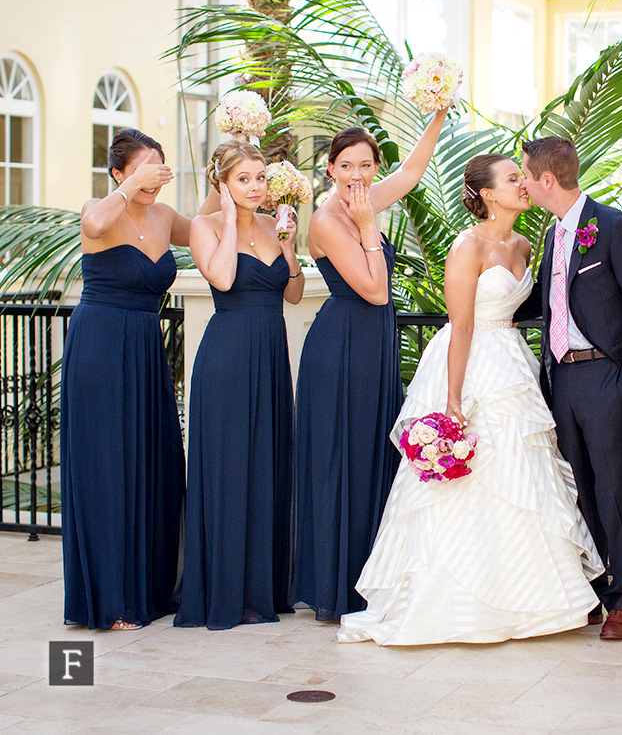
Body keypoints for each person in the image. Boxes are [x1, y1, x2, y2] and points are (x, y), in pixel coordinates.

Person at [337, 154, 603, 645]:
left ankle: (537, 600)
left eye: (520, 177)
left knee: (522, 476)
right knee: (468, 480)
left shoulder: (526, 242)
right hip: (471, 360)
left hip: (512, 364)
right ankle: (458, 603)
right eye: (511, 179)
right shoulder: (467, 244)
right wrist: (453, 397)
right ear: (485, 194)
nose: (522, 184)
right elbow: (459, 323)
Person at [293, 112, 447, 622]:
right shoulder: (328, 219)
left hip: (371, 348)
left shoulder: (368, 200)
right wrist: (366, 228)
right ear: (330, 169)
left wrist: (437, 114)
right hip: (340, 351)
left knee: (372, 456)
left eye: (366, 165)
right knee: (343, 461)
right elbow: (376, 290)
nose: (357, 174)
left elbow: (411, 173)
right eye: (346, 165)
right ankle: (336, 589)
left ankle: (373, 577)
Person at [515, 136, 622, 641]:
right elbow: (548, 299)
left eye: (526, 175)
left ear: (547, 180)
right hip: (564, 378)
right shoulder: (555, 234)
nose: (523, 183)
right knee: (578, 490)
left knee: (615, 489)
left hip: (607, 375)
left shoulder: (614, 227)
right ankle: (596, 592)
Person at [175, 139, 304, 630]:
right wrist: (229, 220)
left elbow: (292, 294)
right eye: (244, 179)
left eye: (260, 178)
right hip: (227, 360)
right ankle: (225, 591)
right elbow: (224, 279)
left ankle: (261, 589)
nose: (255, 187)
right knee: (230, 471)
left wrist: (290, 248)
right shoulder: (205, 228)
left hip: (271, 358)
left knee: (266, 466)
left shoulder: (276, 225)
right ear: (223, 185)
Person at [62, 129, 188, 630]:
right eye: (142, 166)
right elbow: (93, 223)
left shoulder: (163, 217)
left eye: (160, 165)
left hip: (144, 348)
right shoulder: (102, 207)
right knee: (107, 466)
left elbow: (208, 223)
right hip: (100, 343)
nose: (154, 175)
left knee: (153, 460)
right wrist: (128, 187)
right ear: (119, 171)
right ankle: (110, 599)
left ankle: (149, 589)